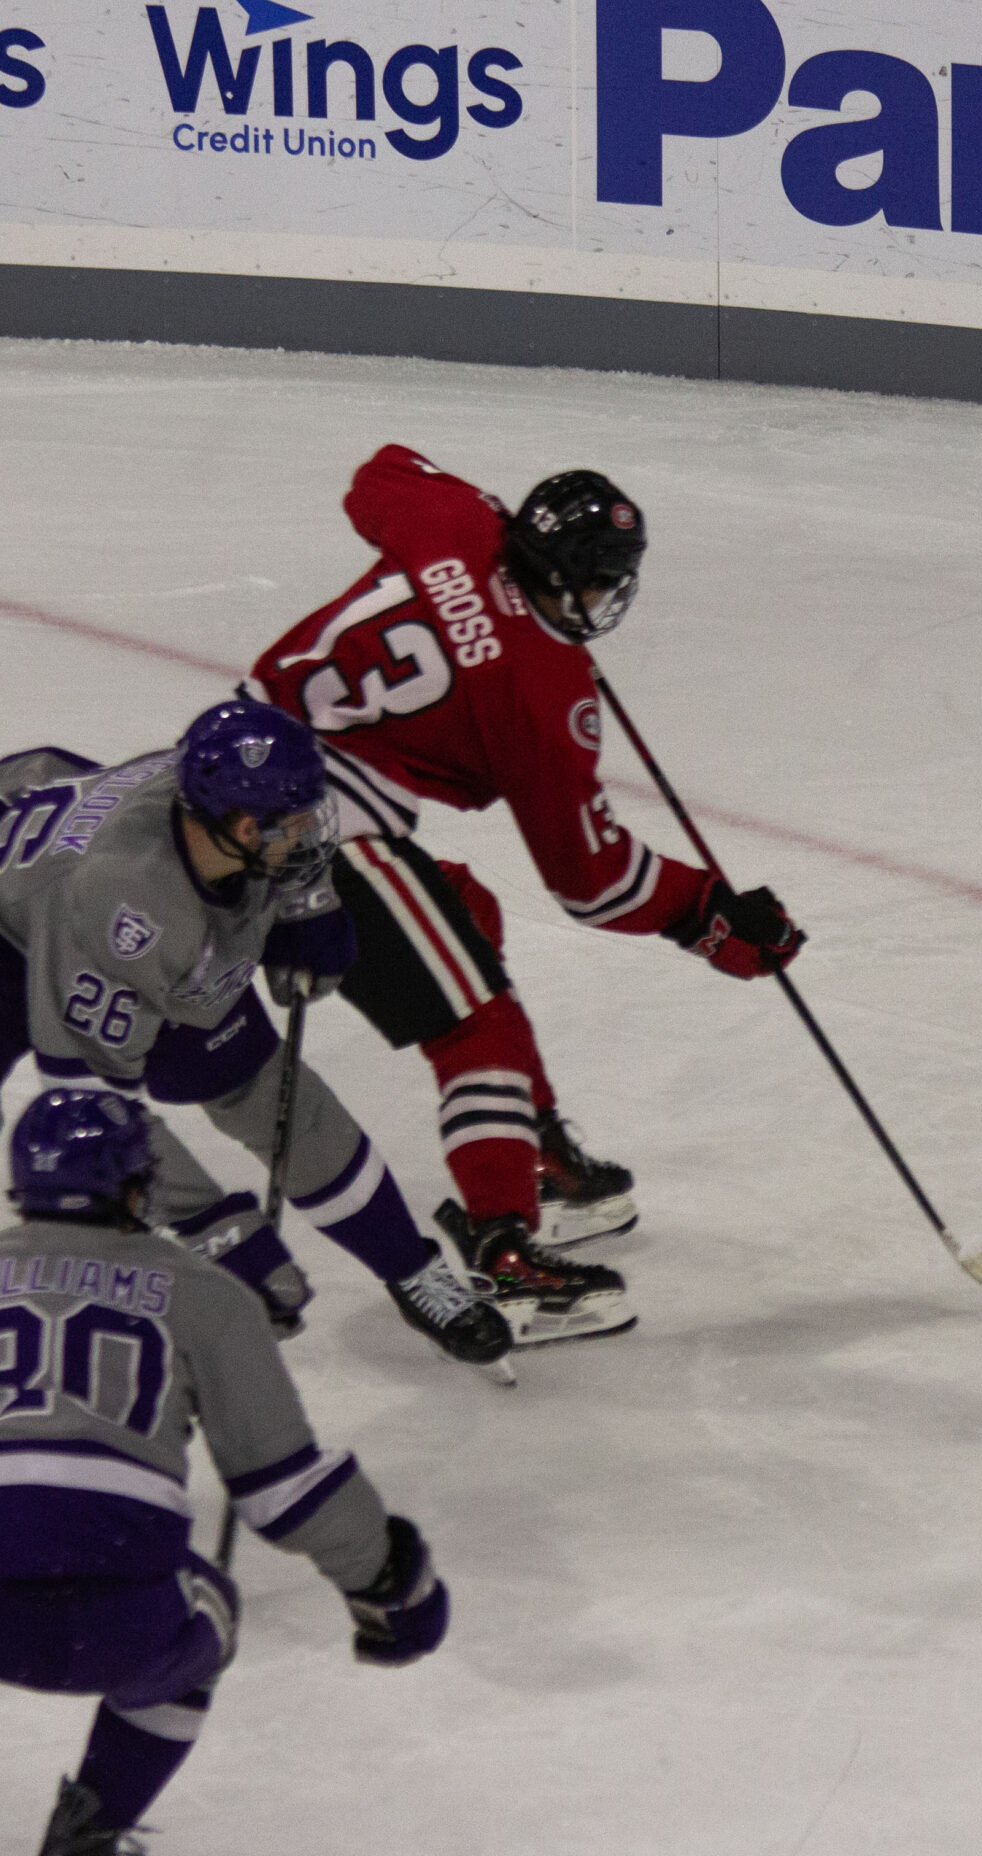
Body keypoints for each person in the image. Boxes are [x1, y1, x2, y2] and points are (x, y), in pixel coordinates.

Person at [0, 1090, 451, 1855]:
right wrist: (391, 1583)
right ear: (137, 1190)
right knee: (208, 1622)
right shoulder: (207, 1296)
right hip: (106, 1599)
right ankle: (91, 1836)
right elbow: (284, 1492)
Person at [242, 447, 804, 1337]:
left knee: (467, 917)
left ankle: (533, 1146)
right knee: (478, 1020)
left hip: (236, 760)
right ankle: (502, 1249)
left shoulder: (452, 520)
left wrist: (474, 525)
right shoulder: (543, 692)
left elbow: (378, 474)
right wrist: (707, 915)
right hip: (307, 826)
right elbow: (595, 883)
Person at [0, 698, 516, 1367]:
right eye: (290, 824)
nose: (307, 835)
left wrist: (308, 905)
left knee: (271, 1096)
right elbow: (95, 1112)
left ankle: (413, 1270)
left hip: (94, 886)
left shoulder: (229, 828)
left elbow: (295, 842)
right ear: (241, 826)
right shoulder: (130, 905)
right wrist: (217, 1229)